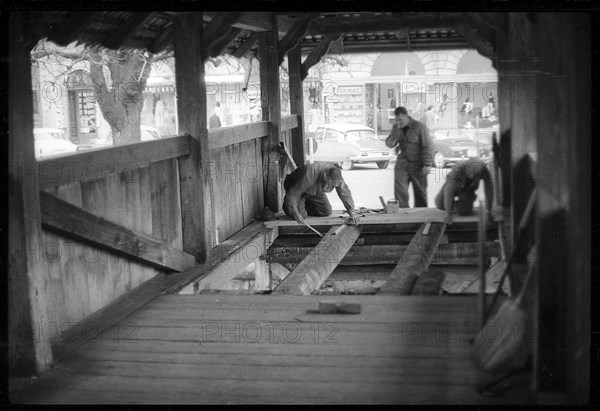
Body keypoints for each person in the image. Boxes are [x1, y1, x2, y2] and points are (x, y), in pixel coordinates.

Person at [385, 106, 434, 208]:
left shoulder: (420, 127)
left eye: (400, 120)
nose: (398, 122)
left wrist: (427, 164)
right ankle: (403, 220)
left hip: (418, 164)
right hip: (403, 163)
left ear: (406, 116)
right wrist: (395, 133)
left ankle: (421, 220)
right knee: (400, 193)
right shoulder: (396, 127)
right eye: (396, 120)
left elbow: (428, 146)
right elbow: (389, 144)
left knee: (420, 194)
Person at [282, 162, 357, 225]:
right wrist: (295, 213)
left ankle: (303, 204)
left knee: (326, 211)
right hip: (296, 186)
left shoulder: (337, 177)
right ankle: (288, 205)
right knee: (300, 215)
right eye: (329, 184)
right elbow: (293, 195)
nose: (330, 187)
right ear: (325, 175)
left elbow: (344, 193)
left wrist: (351, 213)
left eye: (333, 185)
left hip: (314, 190)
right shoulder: (310, 174)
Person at [434, 158, 494, 224]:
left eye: (475, 175)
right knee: (439, 204)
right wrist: (448, 214)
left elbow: (489, 189)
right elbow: (449, 191)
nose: (472, 176)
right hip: (454, 184)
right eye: (471, 173)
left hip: (468, 189)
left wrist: (489, 211)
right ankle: (452, 205)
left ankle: (464, 205)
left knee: (463, 212)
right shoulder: (458, 168)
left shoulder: (483, 169)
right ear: (466, 168)